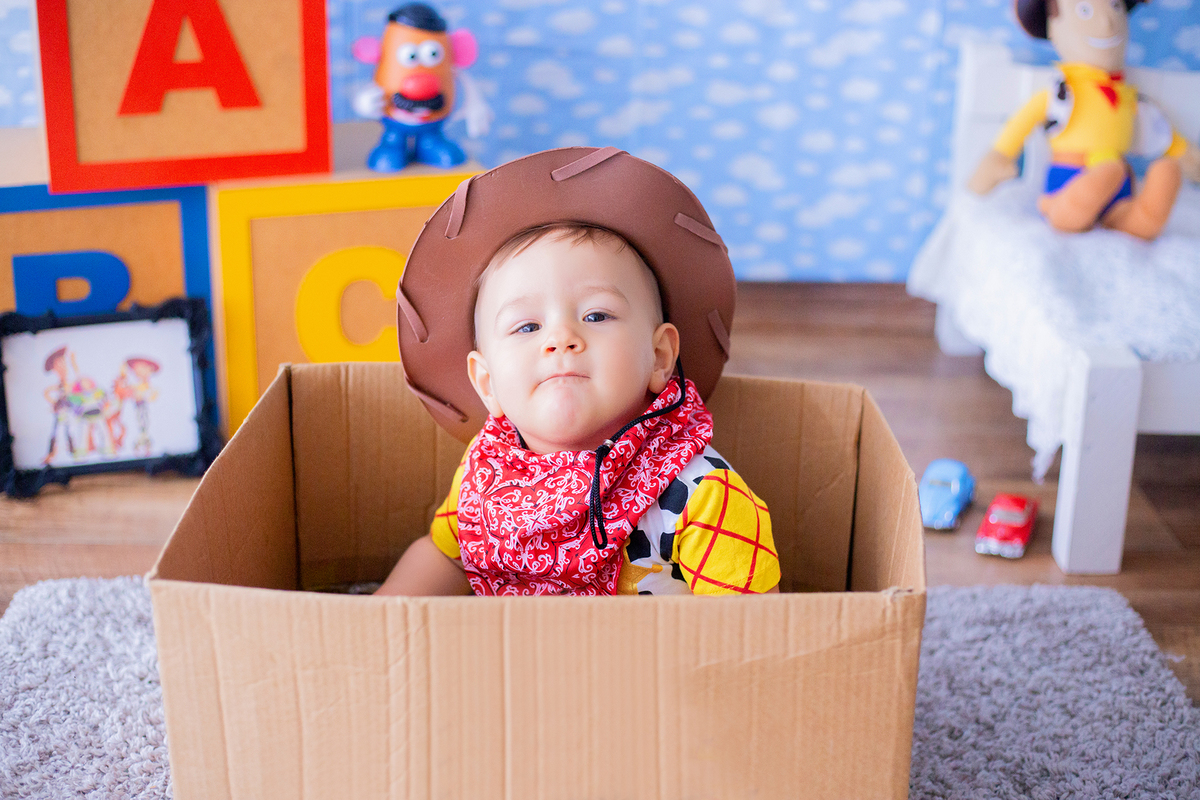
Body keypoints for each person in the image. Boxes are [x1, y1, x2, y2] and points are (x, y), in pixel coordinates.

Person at [377, 147, 781, 597]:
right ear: (487, 383)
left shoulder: (704, 499)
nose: (560, 338)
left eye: (596, 316)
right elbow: (447, 559)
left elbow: (752, 639)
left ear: (660, 357)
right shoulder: (485, 477)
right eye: (527, 326)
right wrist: (373, 629)